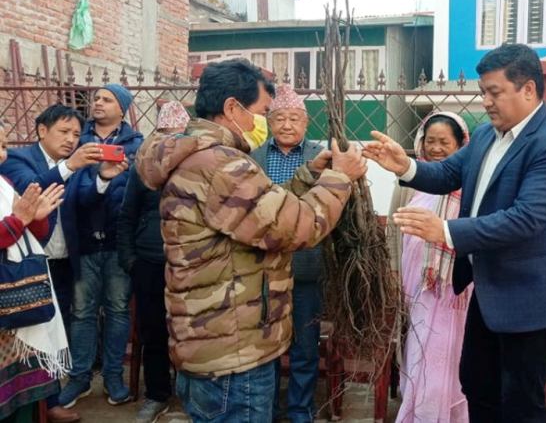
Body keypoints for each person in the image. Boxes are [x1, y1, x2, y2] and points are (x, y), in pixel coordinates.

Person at [134, 59, 367, 422]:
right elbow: (297, 227)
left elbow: (259, 212)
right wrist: (339, 179)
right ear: (232, 108)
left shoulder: (197, 156)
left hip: (212, 342)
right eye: (261, 112)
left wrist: (309, 175)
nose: (264, 121)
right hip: (233, 352)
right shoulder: (222, 165)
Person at [364, 43, 546, 423]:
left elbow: (525, 219)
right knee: (477, 384)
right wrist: (406, 167)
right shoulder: (485, 135)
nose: (485, 101)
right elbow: (447, 174)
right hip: (488, 288)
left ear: (527, 89)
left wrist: (445, 230)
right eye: (483, 92)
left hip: (531, 296)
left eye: (494, 92)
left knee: (520, 403)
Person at [0, 104, 107, 423]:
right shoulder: (20, 161)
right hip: (16, 274)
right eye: (64, 131)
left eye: (76, 133)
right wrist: (68, 167)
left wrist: (103, 178)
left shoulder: (72, 164)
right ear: (42, 130)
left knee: (46, 332)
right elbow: (30, 192)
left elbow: (43, 214)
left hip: (53, 263)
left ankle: (47, 401)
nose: (71, 139)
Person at [59, 83, 143, 408]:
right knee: (82, 311)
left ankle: (113, 377)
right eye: (96, 98)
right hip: (82, 241)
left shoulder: (136, 145)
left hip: (118, 242)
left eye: (107, 99)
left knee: (118, 310)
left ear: (122, 108)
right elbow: (71, 190)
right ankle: (79, 377)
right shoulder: (77, 142)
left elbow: (139, 193)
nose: (98, 103)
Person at [387, 111, 471, 423]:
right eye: (430, 141)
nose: (435, 148)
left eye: (444, 142)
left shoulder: (469, 183)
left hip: (455, 290)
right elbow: (393, 229)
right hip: (416, 285)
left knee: (450, 354)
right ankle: (419, 411)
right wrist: (394, 270)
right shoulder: (408, 181)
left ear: (461, 146)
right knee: (418, 349)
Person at [250, 85, 326, 423]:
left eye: (294, 118)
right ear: (269, 122)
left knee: (305, 343)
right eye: (280, 118)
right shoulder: (253, 158)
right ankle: (264, 408)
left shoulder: (320, 157)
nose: (287, 125)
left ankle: (299, 409)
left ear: (306, 123)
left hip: (306, 264)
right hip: (262, 268)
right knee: (264, 341)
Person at [117, 101, 190, 423]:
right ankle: (158, 394)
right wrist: (130, 261)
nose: (170, 142)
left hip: (190, 264)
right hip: (149, 263)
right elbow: (126, 216)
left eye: (178, 136)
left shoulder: (197, 166)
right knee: (154, 332)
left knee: (192, 332)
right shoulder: (142, 170)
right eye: (164, 135)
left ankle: (192, 396)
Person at [0, 126, 68, 422]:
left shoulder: (3, 183)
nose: (2, 155)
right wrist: (19, 221)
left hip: (18, 305)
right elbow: (15, 224)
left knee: (24, 393)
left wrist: (36, 218)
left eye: (4, 146)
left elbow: (30, 233)